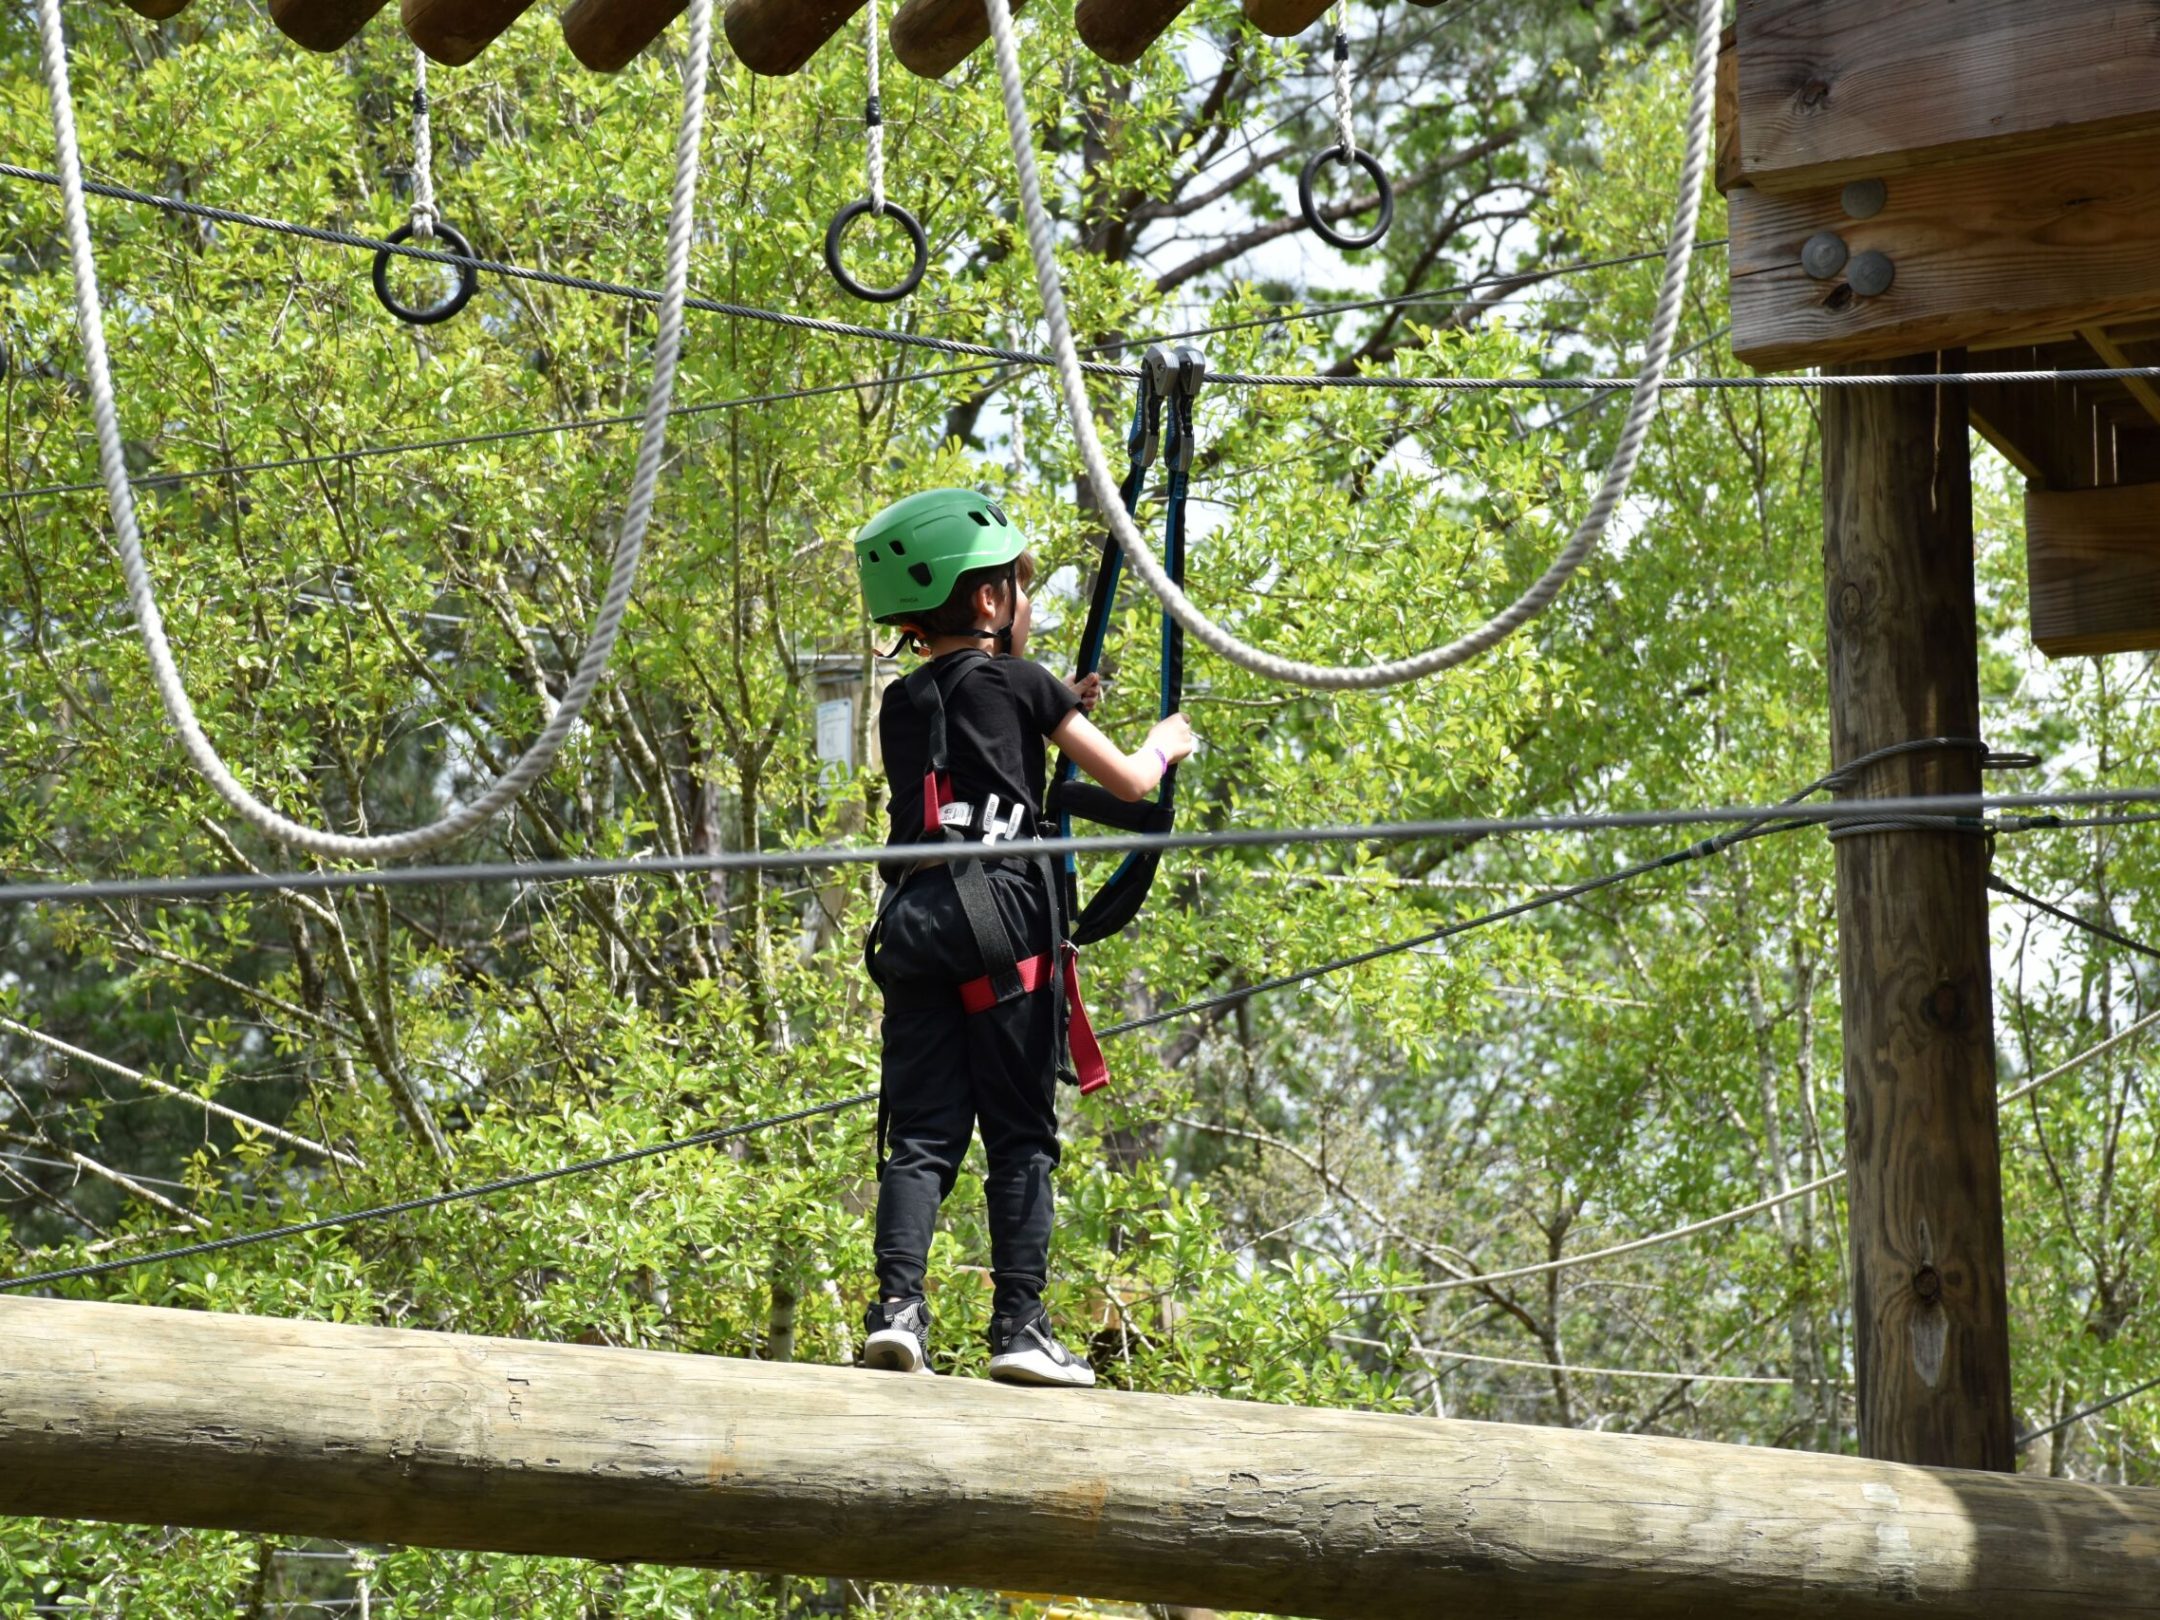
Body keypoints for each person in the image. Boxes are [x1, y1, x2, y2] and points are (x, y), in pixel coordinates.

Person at [854, 488, 1195, 1387]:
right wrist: (1163, 742)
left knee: (922, 1135)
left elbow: (976, 741)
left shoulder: (899, 704)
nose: (1028, 605)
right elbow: (1124, 783)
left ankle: (896, 1311)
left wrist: (1054, 701)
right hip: (1003, 920)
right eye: (1020, 587)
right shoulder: (1025, 683)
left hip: (914, 923)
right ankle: (1020, 1326)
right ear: (991, 601)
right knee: (1020, 1134)